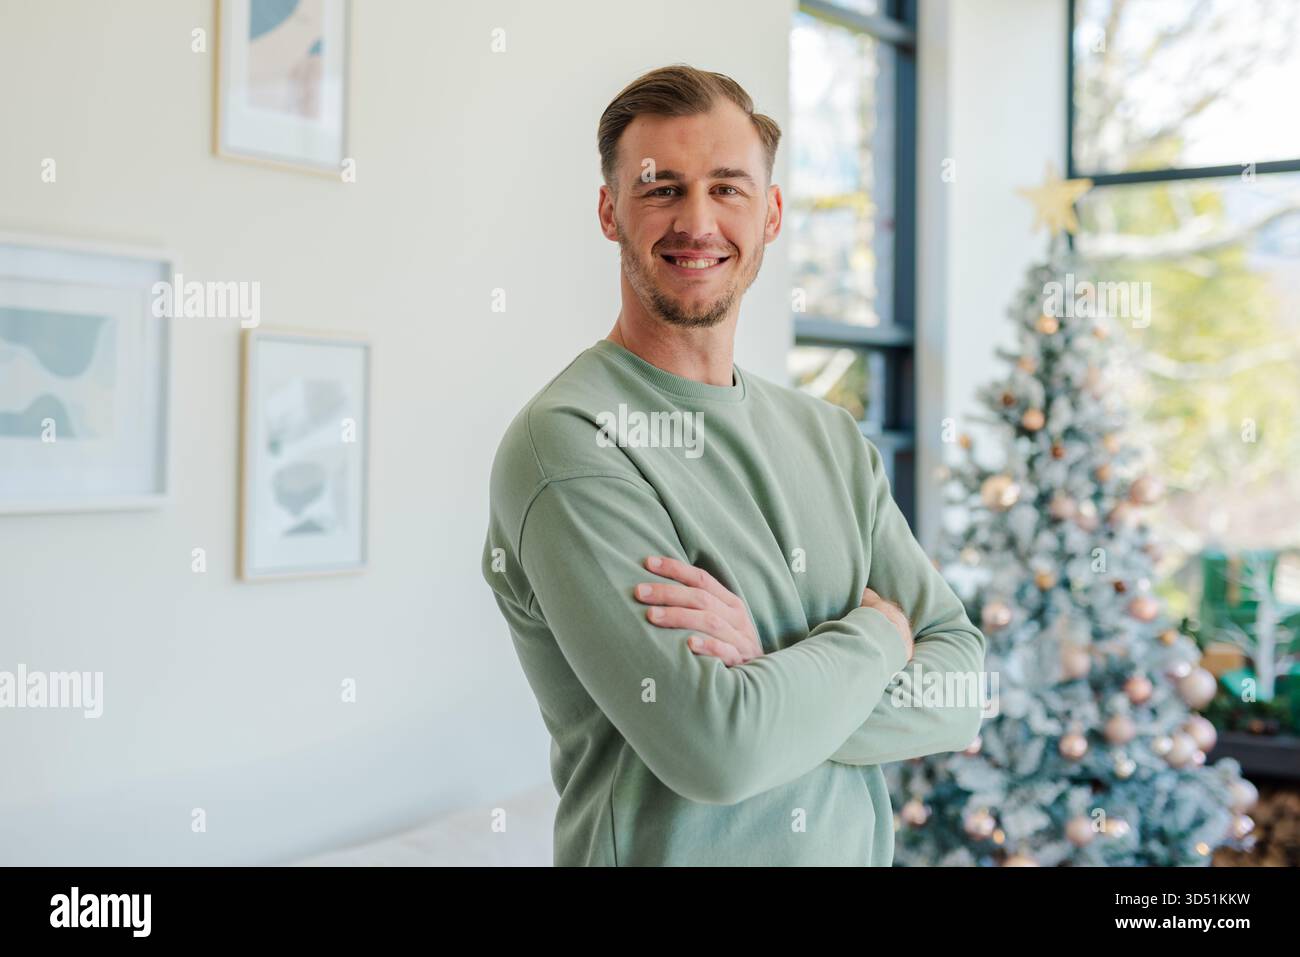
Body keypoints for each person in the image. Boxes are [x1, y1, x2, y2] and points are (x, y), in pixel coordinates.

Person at [481, 63, 986, 866]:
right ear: (610, 211)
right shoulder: (572, 439)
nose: (696, 221)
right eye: (661, 189)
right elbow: (719, 750)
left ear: (772, 213)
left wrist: (769, 678)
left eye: (727, 188)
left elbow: (961, 690)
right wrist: (883, 633)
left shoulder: (829, 438)